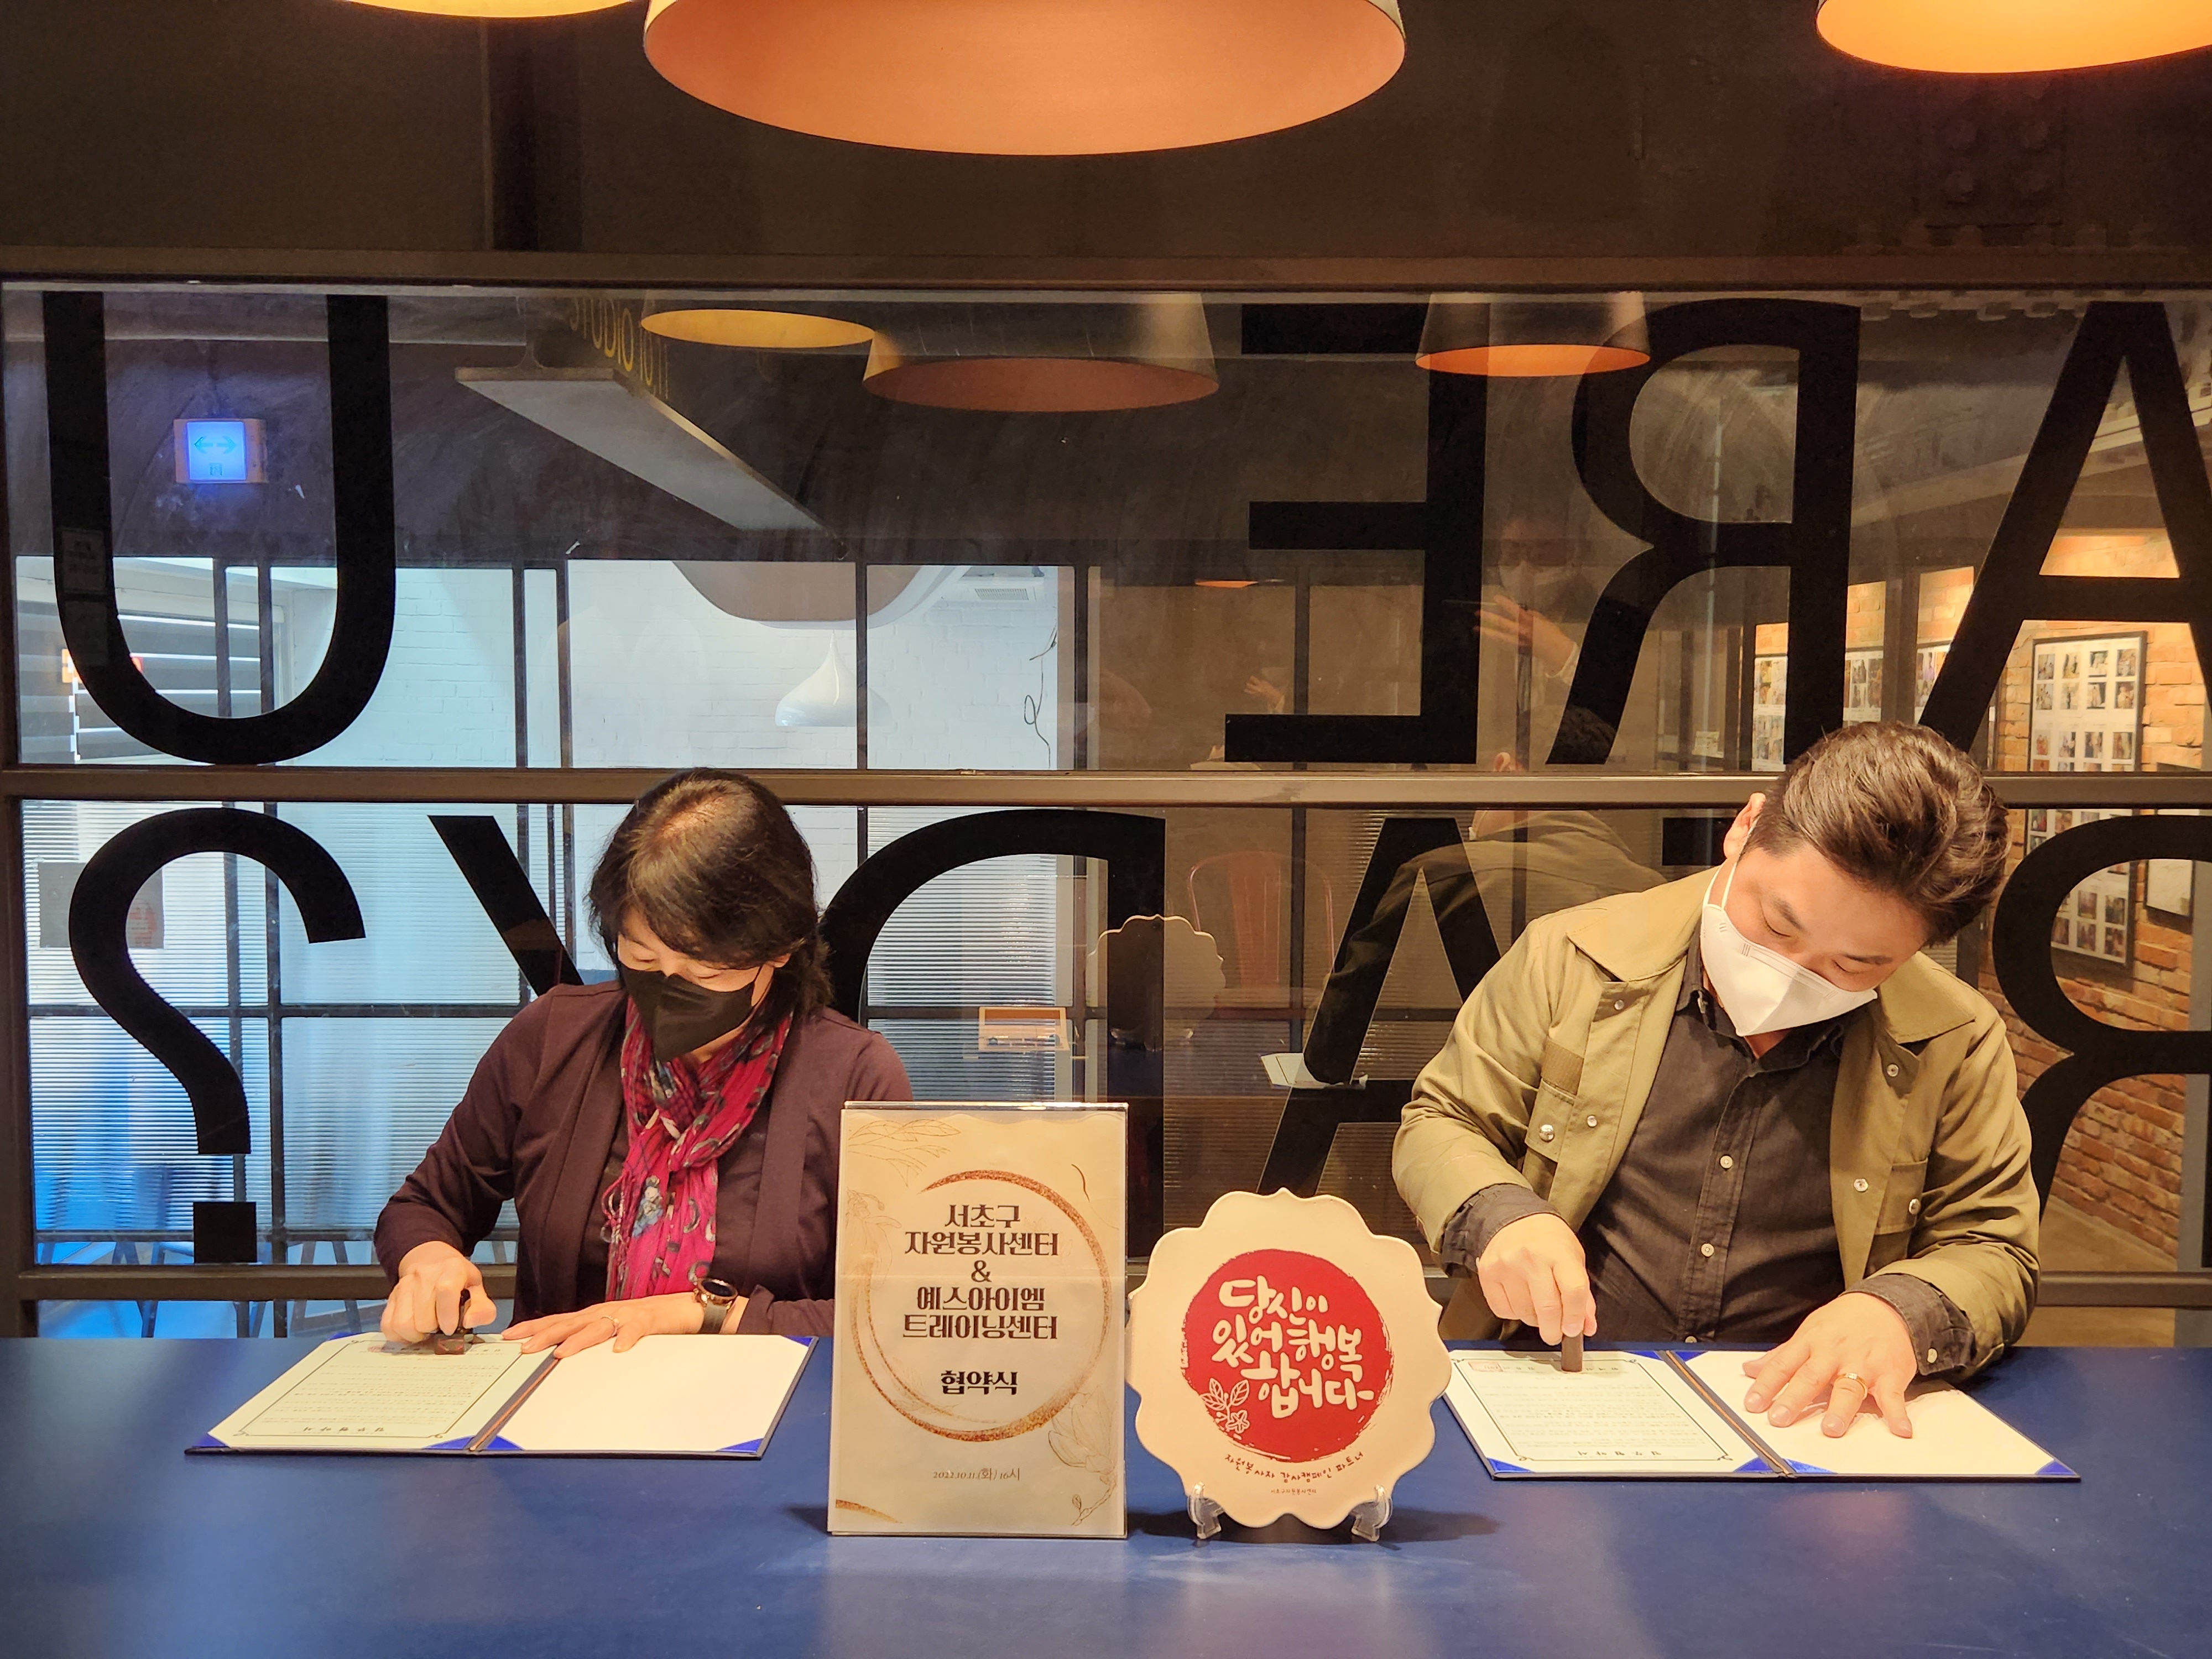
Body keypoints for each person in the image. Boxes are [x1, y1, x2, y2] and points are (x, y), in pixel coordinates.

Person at [1394, 722, 2037, 1439]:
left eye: (1853, 965)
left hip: (1803, 1419)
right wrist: (1502, 1215)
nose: (1792, 974)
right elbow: (1444, 1119)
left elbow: (1994, 1245)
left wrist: (1901, 1312)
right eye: (1777, 924)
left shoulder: (1954, 1037)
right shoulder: (1571, 957)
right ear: (1746, 827)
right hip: (1558, 1388)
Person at [374, 769, 911, 1354]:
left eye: (706, 969)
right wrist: (428, 1259)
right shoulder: (553, 1038)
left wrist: (699, 1313)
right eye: (643, 956)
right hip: (561, 1395)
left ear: (781, 948)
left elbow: (893, 1308)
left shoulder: (854, 1076)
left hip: (771, 1403)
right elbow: (426, 1205)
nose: (672, 987)